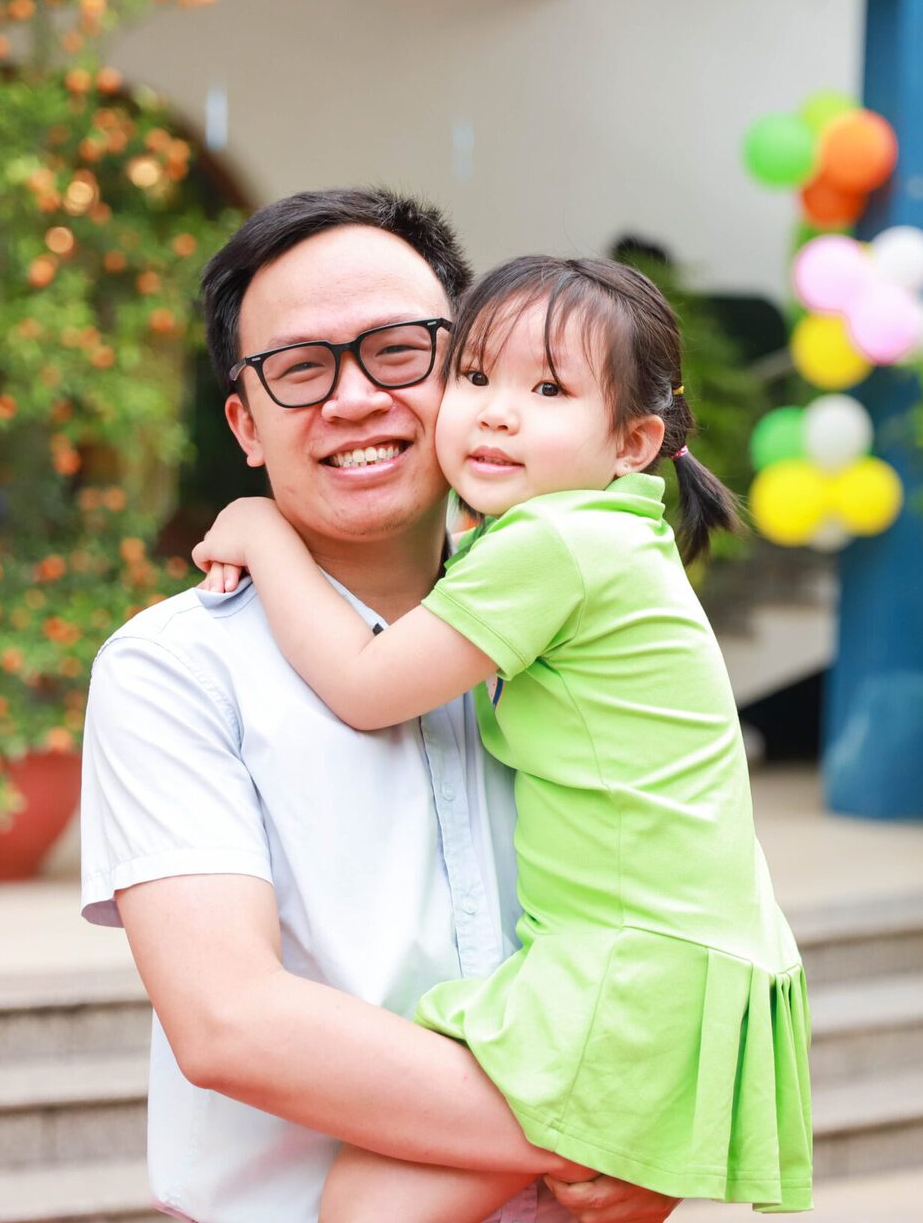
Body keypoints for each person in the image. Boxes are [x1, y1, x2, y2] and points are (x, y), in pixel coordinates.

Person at [79, 190, 678, 1223]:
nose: (354, 398)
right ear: (246, 423)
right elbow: (230, 1019)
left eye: (400, 351)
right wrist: (612, 1130)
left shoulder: (591, 621)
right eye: (300, 368)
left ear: (468, 373)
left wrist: (655, 1116)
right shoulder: (174, 669)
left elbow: (687, 897)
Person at [193, 256, 813, 1218]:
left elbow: (365, 687)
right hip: (677, 959)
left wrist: (264, 531)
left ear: (633, 442)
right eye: (476, 377)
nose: (496, 414)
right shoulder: (606, 533)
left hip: (628, 968)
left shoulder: (553, 545)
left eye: (549, 390)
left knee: (364, 1208)